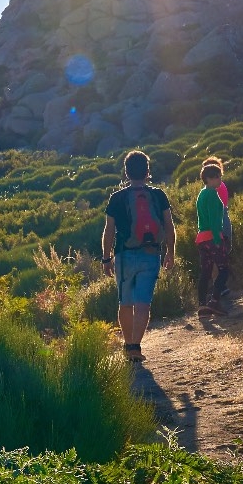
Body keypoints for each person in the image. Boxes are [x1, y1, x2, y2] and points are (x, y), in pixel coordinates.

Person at [100, 149, 174, 364]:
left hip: (124, 256)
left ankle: (128, 345)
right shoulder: (158, 195)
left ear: (126, 172)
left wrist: (106, 258)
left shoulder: (117, 198)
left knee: (125, 302)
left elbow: (109, 230)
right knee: (143, 304)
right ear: (148, 171)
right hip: (151, 255)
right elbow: (169, 226)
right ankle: (135, 346)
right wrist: (171, 252)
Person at [193, 156, 233, 316]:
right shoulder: (211, 194)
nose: (220, 180)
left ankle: (202, 305)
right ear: (209, 178)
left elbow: (201, 219)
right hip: (212, 238)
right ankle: (214, 302)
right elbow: (214, 220)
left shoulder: (201, 195)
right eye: (218, 177)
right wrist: (219, 238)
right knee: (223, 270)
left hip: (201, 238)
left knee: (206, 272)